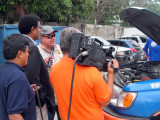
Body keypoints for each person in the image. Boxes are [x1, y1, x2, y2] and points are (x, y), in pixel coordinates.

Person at [50, 27, 119, 120]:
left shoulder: (54, 70)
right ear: (79, 43)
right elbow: (105, 101)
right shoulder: (92, 72)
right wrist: (111, 74)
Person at [18, 15, 55, 120]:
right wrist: (42, 100)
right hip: (37, 102)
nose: (40, 31)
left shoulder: (19, 43)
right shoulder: (32, 47)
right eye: (39, 28)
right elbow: (32, 78)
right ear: (32, 29)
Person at [0, 34, 36, 120]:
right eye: (27, 52)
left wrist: (26, 91)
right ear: (20, 53)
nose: (28, 55)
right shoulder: (18, 77)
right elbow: (14, 115)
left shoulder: (3, 71)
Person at [38, 26, 63, 120]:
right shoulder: (36, 51)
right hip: (47, 96)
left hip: (61, 95)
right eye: (49, 36)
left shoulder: (60, 48)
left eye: (54, 35)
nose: (53, 38)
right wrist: (43, 64)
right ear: (42, 38)